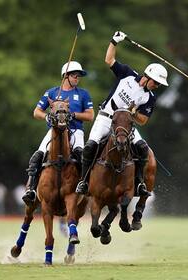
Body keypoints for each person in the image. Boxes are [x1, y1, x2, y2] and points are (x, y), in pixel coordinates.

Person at [76, 31, 169, 196]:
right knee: (90, 146)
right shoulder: (127, 74)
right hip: (106, 118)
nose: (157, 86)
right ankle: (83, 181)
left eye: (160, 84)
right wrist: (113, 42)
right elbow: (109, 60)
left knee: (141, 148)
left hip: (126, 126)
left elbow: (143, 120)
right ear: (147, 77)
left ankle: (139, 183)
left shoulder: (150, 97)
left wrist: (133, 113)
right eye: (156, 82)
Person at [22, 61, 94, 204]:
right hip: (54, 131)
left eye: (79, 76)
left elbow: (91, 115)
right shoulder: (52, 92)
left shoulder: (83, 94)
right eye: (74, 75)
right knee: (37, 156)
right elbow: (36, 112)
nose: (77, 78)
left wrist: (73, 115)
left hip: (75, 131)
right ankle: (31, 189)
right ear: (65, 76)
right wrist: (46, 116)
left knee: (82, 157)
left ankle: (85, 185)